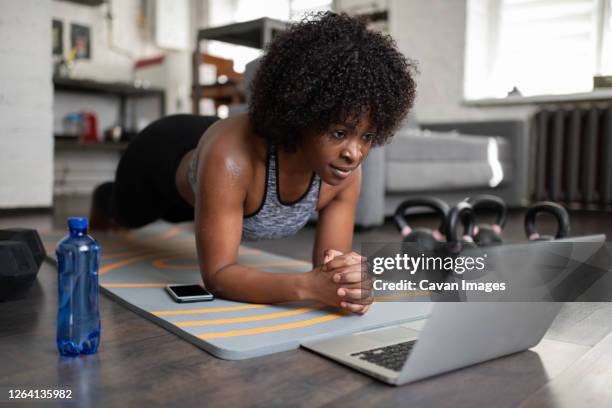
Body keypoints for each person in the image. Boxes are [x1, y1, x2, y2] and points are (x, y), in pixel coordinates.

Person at [90, 12, 417, 314]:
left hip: (214, 180)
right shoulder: (232, 157)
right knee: (126, 216)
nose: (354, 153)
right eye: (339, 132)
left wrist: (348, 284)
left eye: (367, 137)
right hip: (159, 157)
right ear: (303, 114)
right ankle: (103, 196)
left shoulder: (345, 170)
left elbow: (328, 268)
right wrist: (307, 287)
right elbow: (218, 276)